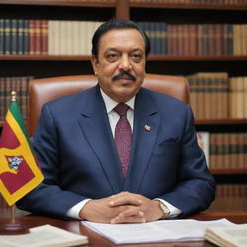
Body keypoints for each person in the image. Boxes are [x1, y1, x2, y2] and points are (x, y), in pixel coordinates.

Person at [17, 19, 215, 223]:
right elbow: (31, 187)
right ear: (95, 63)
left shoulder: (176, 113)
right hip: (85, 234)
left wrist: (160, 207)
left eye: (136, 56)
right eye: (113, 56)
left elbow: (200, 183)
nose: (126, 65)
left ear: (145, 63)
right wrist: (85, 208)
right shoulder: (57, 115)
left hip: (157, 235)